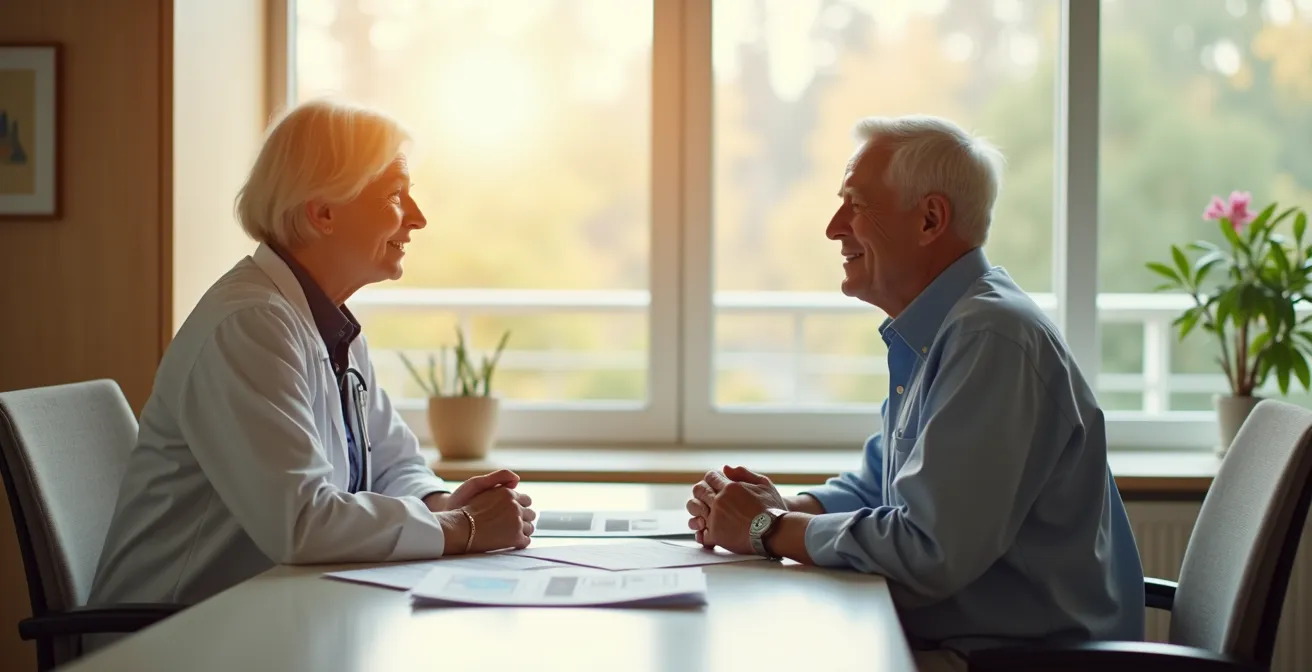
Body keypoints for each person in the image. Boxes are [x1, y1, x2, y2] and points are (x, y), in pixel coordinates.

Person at [685, 115, 1144, 671]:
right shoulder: (946, 327)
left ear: (930, 219)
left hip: (1012, 659)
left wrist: (766, 530)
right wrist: (784, 507)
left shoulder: (990, 337)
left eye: (855, 204)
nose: (834, 227)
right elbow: (882, 485)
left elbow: (927, 551)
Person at [87, 99, 536, 630]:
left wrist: (442, 501)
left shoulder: (328, 322)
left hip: (263, 617)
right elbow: (301, 523)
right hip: (170, 639)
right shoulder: (249, 326)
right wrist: (461, 528)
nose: (416, 218)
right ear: (322, 212)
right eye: (395, 194)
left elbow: (395, 464)